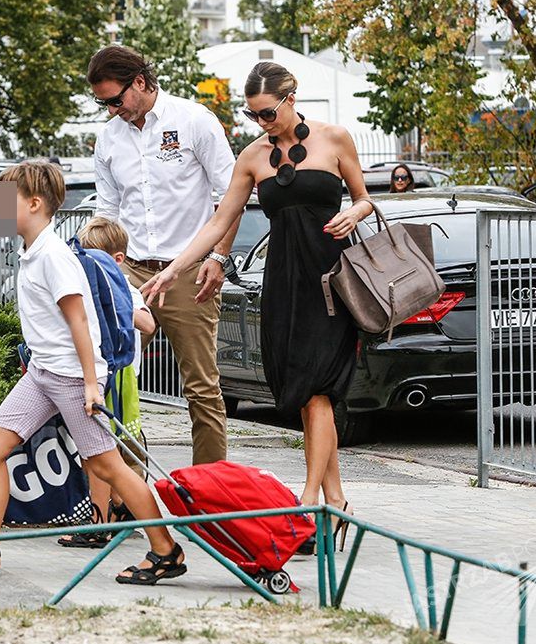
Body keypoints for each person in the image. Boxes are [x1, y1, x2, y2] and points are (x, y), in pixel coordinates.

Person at [141, 62, 373, 551]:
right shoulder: (253, 157)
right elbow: (217, 221)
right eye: (252, 116)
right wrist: (176, 268)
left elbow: (364, 198)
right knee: (305, 393)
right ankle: (336, 503)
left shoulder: (335, 139)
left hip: (332, 281)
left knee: (317, 391)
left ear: (291, 98)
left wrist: (353, 211)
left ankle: (308, 504)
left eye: (266, 113)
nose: (261, 123)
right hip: (284, 283)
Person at [0, 162, 186, 584]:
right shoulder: (32, 251)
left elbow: (80, 323)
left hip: (70, 377)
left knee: (107, 466)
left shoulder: (54, 255)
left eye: (4, 200)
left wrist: (89, 383)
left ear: (33, 203)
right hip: (43, 374)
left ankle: (166, 551)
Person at [88, 44, 240, 466]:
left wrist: (219, 258)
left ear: (140, 81)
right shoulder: (108, 138)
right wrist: (99, 266)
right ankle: (128, 491)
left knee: (201, 387)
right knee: (112, 378)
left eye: (116, 100)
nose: (112, 110)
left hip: (190, 272)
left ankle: (209, 494)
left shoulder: (193, 121)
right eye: (103, 103)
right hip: (131, 270)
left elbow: (230, 196)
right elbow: (107, 210)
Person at [57, 216, 156, 548]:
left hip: (118, 378)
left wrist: (115, 307)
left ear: (117, 260)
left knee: (102, 451)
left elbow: (148, 323)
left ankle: (102, 520)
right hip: (94, 375)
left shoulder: (122, 285)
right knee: (99, 452)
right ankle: (115, 509)